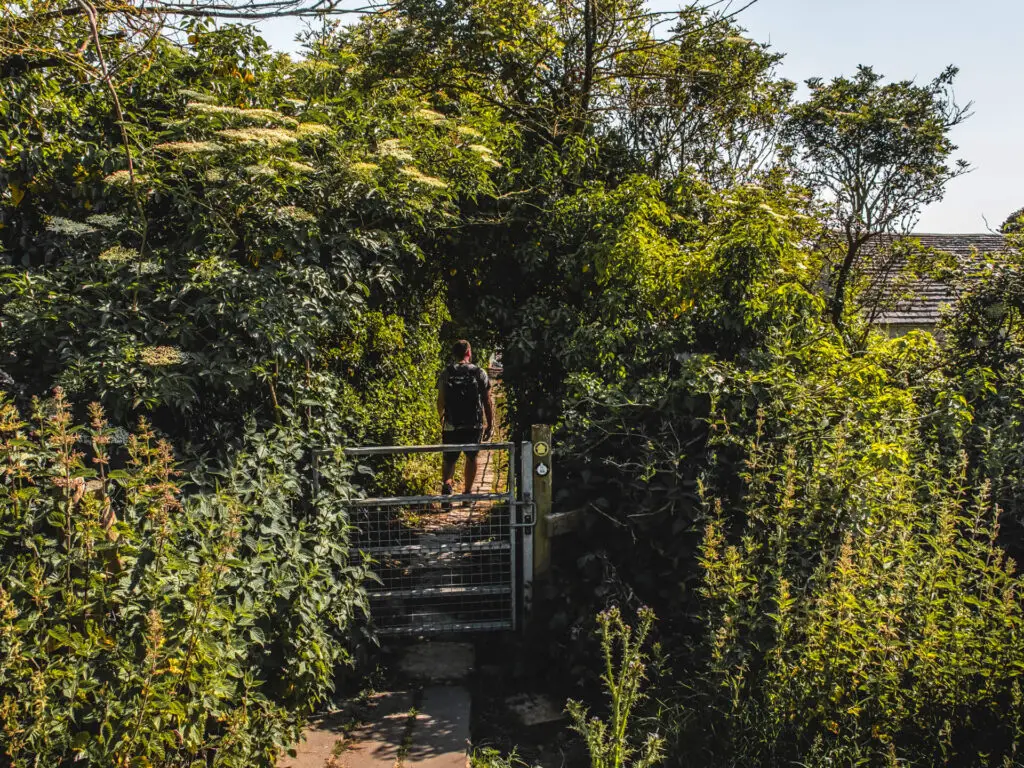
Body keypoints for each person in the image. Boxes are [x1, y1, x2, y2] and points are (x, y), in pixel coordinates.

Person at [437, 339, 494, 495]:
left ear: (454, 354)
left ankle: (447, 484)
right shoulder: (479, 372)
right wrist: (490, 424)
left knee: (449, 458)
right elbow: (487, 401)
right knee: (471, 457)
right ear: (469, 352)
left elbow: (441, 399)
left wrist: (441, 418)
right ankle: (467, 492)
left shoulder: (446, 373)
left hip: (451, 424)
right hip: (473, 425)